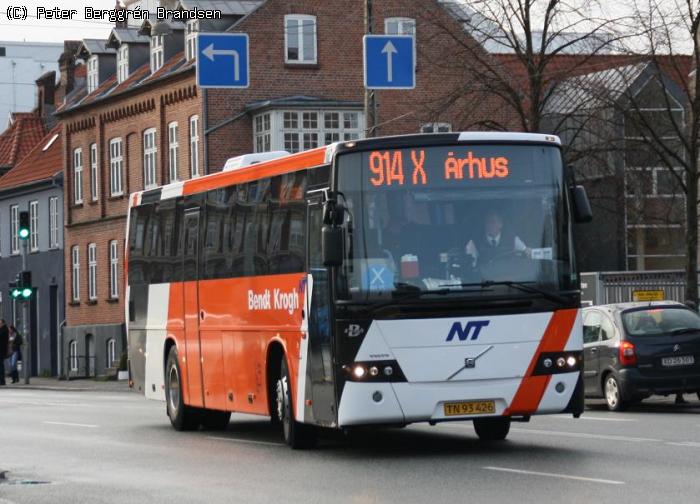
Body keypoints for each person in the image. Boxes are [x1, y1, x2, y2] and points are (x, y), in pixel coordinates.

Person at [465, 210, 530, 266]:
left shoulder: (512, 239)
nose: (490, 225)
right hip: (484, 278)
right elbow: (471, 264)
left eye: (493, 222)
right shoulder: (474, 242)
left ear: (500, 224)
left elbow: (526, 252)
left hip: (509, 276)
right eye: (487, 222)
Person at [0, 319, 8, 386]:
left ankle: (2, 381)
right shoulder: (3, 329)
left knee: (1, 366)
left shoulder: (4, 330)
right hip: (2, 350)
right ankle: (2, 381)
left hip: (1, 351)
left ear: (3, 323)